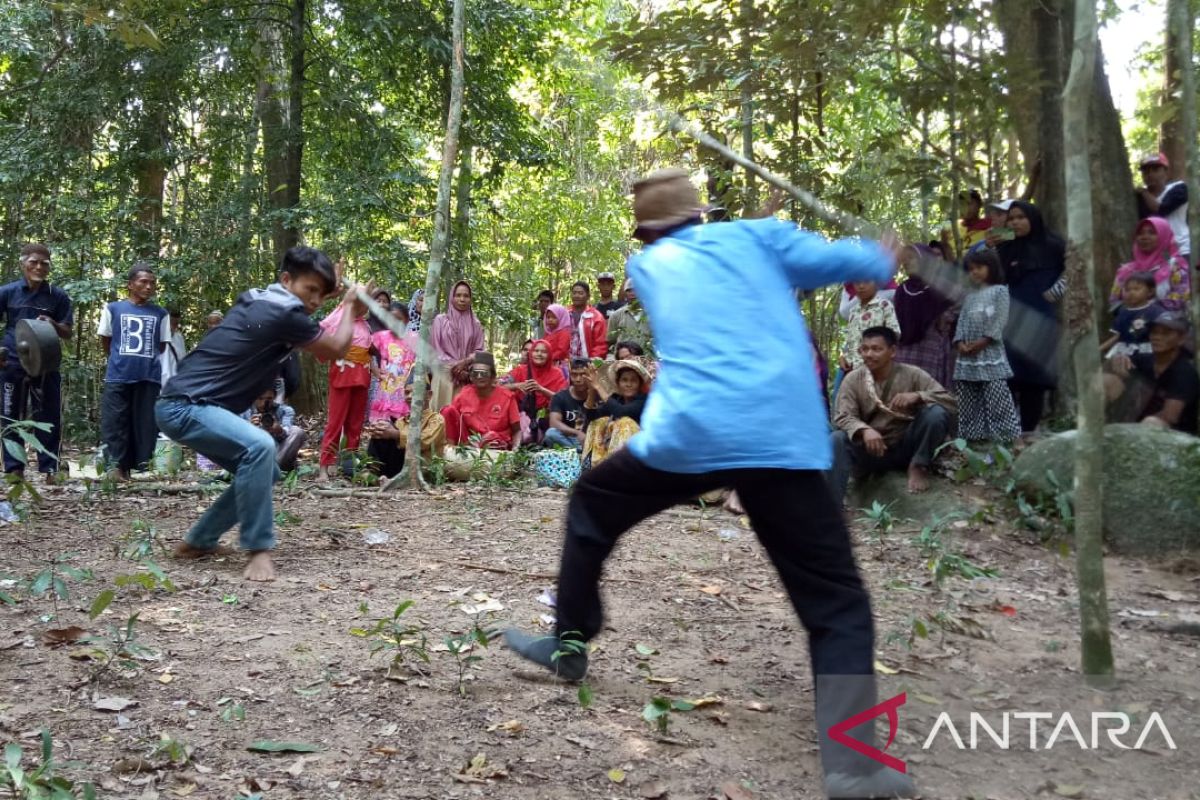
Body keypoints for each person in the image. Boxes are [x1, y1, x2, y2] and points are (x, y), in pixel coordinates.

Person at [502, 167, 916, 800]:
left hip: (691, 436)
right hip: (780, 436)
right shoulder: (758, 237)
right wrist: (880, 252)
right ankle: (853, 766)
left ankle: (570, 642)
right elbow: (847, 264)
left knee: (591, 504)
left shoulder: (646, 268)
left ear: (644, 233)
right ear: (701, 215)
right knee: (836, 601)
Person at [156, 246, 371, 581]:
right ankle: (258, 550)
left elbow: (303, 315)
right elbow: (336, 348)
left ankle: (199, 540)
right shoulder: (282, 314)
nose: (315, 300)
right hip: (186, 405)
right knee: (260, 447)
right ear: (286, 280)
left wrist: (329, 293)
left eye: (321, 293)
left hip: (187, 404)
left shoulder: (261, 299)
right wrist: (347, 306)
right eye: (309, 290)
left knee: (264, 470)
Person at [829, 326, 955, 498]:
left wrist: (918, 396)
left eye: (876, 349)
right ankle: (834, 505)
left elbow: (950, 401)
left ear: (892, 351)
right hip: (871, 451)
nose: (869, 354)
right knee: (836, 439)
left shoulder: (913, 374)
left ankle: (919, 465)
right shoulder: (852, 379)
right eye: (865, 349)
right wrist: (864, 430)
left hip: (905, 447)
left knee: (935, 413)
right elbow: (842, 416)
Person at [0, 243, 73, 479]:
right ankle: (14, 468)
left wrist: (52, 323)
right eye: (33, 262)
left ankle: (49, 467)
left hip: (47, 363)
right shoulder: (8, 292)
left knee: (48, 415)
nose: (39, 267)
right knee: (10, 414)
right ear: (23, 264)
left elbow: (68, 331)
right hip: (12, 361)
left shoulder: (57, 296)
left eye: (44, 263)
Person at [997, 200, 1065, 435]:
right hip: (1010, 318)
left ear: (1033, 219)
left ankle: (1028, 432)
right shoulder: (1005, 247)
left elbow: (1076, 266)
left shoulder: (1053, 244)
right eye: (1012, 218)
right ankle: (1007, 433)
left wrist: (1056, 291)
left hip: (1041, 317)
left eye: (1021, 217)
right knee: (1006, 374)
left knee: (1034, 379)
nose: (1015, 222)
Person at [98, 264, 171, 480]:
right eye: (143, 282)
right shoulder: (113, 309)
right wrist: (120, 359)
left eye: (152, 283)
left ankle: (138, 468)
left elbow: (162, 346)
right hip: (118, 374)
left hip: (149, 376)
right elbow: (106, 340)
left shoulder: (161, 313)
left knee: (144, 423)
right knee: (116, 421)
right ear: (130, 285)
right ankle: (115, 467)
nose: (148, 287)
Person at [953, 249, 1022, 444]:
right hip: (967, 356)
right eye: (971, 269)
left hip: (989, 351)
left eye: (979, 267)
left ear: (991, 267)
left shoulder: (1000, 291)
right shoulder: (969, 296)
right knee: (968, 395)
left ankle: (1009, 437)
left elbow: (1000, 319)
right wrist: (959, 343)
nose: (974, 272)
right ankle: (974, 437)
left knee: (997, 392)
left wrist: (985, 340)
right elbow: (962, 321)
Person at [1105, 311, 1198, 434]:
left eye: (1166, 333)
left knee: (1152, 423)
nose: (1157, 337)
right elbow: (1115, 370)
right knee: (1106, 380)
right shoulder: (1144, 359)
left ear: (1181, 339)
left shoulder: (1185, 373)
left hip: (1174, 435)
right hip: (1135, 424)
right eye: (1154, 332)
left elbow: (1169, 417)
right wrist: (1117, 363)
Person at [316, 295, 373, 482]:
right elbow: (324, 334)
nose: (365, 308)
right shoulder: (341, 320)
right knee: (335, 423)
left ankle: (349, 466)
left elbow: (369, 349)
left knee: (355, 425)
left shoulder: (366, 325)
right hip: (342, 374)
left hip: (361, 376)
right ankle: (324, 466)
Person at [893, 245, 957, 388]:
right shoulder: (902, 290)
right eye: (905, 259)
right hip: (905, 352)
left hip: (932, 350)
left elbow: (951, 315)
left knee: (929, 396)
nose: (907, 262)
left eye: (912, 258)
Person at [367, 370, 446, 478]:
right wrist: (378, 429)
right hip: (399, 465)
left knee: (390, 432)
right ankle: (372, 473)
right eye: (407, 392)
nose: (409, 396)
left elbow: (423, 442)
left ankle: (374, 475)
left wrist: (395, 434)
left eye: (415, 392)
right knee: (382, 429)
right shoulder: (401, 421)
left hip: (422, 468)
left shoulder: (436, 420)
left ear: (429, 395)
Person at [1107, 217, 1190, 313]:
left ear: (1164, 236)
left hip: (1165, 325)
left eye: (1152, 233)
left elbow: (1180, 298)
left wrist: (1146, 310)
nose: (1144, 237)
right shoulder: (1126, 270)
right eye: (1140, 233)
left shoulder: (1175, 267)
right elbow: (1114, 301)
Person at [441, 352, 521, 450]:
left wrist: (515, 449)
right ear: (471, 377)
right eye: (475, 373)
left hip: (496, 446)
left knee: (491, 436)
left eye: (484, 373)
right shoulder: (464, 394)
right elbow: (452, 417)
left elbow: (517, 430)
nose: (479, 376)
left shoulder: (507, 397)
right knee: (447, 410)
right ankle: (449, 453)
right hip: (469, 444)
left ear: (493, 377)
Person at [581, 359, 651, 468]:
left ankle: (616, 470)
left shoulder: (644, 400)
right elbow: (591, 417)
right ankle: (594, 468)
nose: (628, 384)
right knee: (598, 423)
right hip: (616, 451)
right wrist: (592, 389)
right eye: (624, 380)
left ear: (639, 384)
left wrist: (599, 386)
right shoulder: (616, 399)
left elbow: (622, 412)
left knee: (624, 422)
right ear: (618, 384)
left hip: (641, 452)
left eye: (633, 380)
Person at [431, 280, 485, 411]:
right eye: (458, 295)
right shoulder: (440, 320)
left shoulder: (476, 324)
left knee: (461, 418)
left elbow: (480, 351)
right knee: (440, 417)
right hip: (444, 377)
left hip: (466, 378)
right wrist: (454, 368)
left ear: (470, 299)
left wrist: (465, 364)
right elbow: (435, 350)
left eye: (466, 296)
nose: (462, 299)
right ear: (452, 297)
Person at [503, 339, 567, 443]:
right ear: (531, 353)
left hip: (546, 419)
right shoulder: (520, 370)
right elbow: (498, 386)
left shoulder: (557, 374)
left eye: (544, 352)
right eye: (536, 351)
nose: (539, 354)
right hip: (520, 417)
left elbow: (563, 399)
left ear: (550, 354)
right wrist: (517, 385)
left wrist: (541, 389)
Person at [1135, 152, 1190, 262]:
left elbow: (1160, 209)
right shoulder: (1139, 199)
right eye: (1146, 171)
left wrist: (1144, 192)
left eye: (1155, 170)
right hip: (1154, 255)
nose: (1150, 174)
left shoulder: (1179, 188)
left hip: (1181, 250)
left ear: (1166, 172)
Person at [369, 302, 417, 424]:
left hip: (405, 393)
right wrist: (375, 369)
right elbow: (366, 351)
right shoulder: (381, 337)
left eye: (399, 319)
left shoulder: (414, 338)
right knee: (382, 429)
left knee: (401, 428)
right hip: (385, 392)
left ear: (407, 320)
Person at [839, 279, 900, 374]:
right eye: (857, 282)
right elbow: (852, 339)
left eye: (866, 281)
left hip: (879, 368)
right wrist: (845, 356)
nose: (861, 286)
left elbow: (894, 334)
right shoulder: (853, 311)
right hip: (856, 369)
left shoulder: (884, 305)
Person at [1101, 273, 1162, 359]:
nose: (1131, 293)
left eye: (1136, 289)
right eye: (1127, 290)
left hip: (1148, 352)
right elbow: (1117, 336)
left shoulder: (1156, 312)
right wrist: (1099, 349)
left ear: (1150, 292)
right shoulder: (1122, 312)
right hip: (1125, 352)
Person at [243, 387, 305, 471]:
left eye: (269, 399)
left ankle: (270, 468)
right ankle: (268, 468)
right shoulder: (245, 411)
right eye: (260, 398)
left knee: (297, 431)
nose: (263, 403)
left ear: (274, 397)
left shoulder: (285, 411)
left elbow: (288, 434)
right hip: (254, 455)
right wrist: (249, 427)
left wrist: (279, 430)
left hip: (278, 453)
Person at [544, 359, 591, 450]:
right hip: (569, 439)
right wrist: (577, 433)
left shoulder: (597, 395)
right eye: (574, 375)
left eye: (583, 375)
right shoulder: (560, 397)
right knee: (551, 433)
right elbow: (554, 423)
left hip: (593, 439)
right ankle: (579, 453)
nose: (578, 379)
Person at [605, 281, 652, 355]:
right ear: (625, 293)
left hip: (648, 360)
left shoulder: (653, 315)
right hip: (624, 361)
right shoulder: (616, 315)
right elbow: (610, 341)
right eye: (629, 291)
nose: (632, 294)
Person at [566, 281, 608, 360]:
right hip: (565, 363)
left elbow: (601, 344)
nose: (577, 296)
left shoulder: (596, 317)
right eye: (574, 293)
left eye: (581, 293)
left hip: (587, 363)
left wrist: (591, 361)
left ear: (588, 296)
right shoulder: (564, 313)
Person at [160, 308, 185, 386]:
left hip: (175, 382)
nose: (173, 327)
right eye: (171, 323)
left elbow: (182, 359)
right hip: (160, 381)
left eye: (176, 324)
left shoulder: (179, 337)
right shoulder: (159, 336)